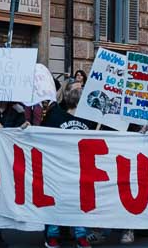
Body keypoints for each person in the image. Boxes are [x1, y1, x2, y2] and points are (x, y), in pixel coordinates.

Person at [41, 87, 94, 248]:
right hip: (59, 169)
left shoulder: (90, 120)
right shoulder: (55, 115)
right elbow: (41, 135)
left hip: (80, 169)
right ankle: (53, 234)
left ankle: (80, 235)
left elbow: (113, 135)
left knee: (79, 202)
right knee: (57, 201)